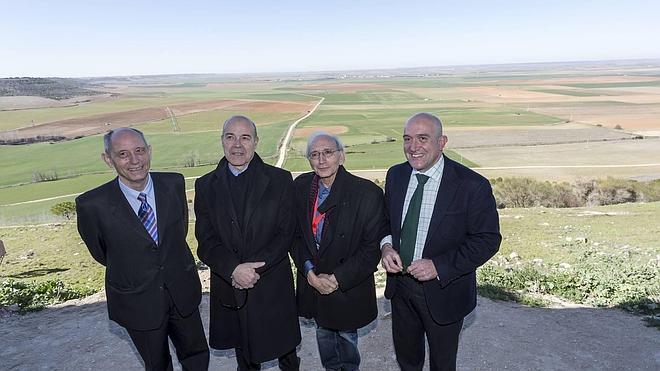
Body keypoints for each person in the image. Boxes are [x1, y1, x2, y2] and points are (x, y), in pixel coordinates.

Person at [76, 127, 209, 371]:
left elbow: (179, 231)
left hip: (182, 290)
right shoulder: (91, 205)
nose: (134, 160)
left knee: (197, 356)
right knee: (156, 364)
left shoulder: (173, 183)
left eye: (139, 151)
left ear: (149, 151)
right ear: (108, 159)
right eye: (123, 154)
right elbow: (102, 252)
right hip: (137, 299)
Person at [380, 113, 501, 371]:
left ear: (442, 142)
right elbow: (385, 221)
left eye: (423, 139)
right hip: (400, 290)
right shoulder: (396, 176)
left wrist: (439, 266)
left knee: (443, 364)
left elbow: (488, 240)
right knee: (407, 359)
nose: (413, 147)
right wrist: (387, 245)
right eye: (407, 139)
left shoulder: (472, 185)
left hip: (445, 291)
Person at [194, 115, 301, 370]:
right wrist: (234, 269)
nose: (237, 145)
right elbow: (205, 240)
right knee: (244, 350)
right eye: (230, 137)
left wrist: (252, 269)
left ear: (256, 142)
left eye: (245, 138)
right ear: (222, 141)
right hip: (230, 283)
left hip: (271, 280)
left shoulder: (280, 180)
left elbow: (286, 234)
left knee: (285, 349)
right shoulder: (206, 185)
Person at [292, 132, 388, 371]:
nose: (321, 160)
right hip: (313, 281)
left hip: (347, 284)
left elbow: (370, 249)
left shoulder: (367, 194)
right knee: (324, 337)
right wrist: (310, 274)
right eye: (314, 154)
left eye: (328, 153)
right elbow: (294, 236)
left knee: (346, 342)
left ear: (342, 156)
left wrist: (336, 279)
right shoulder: (301, 187)